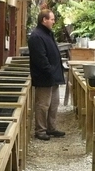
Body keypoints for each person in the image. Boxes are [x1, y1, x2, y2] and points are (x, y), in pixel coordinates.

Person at [28, 9, 66, 141]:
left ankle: (51, 127)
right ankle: (40, 130)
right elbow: (40, 59)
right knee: (43, 105)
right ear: (44, 20)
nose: (54, 22)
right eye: (52, 19)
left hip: (53, 76)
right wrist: (50, 71)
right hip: (44, 77)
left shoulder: (47, 34)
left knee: (54, 104)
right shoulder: (37, 36)